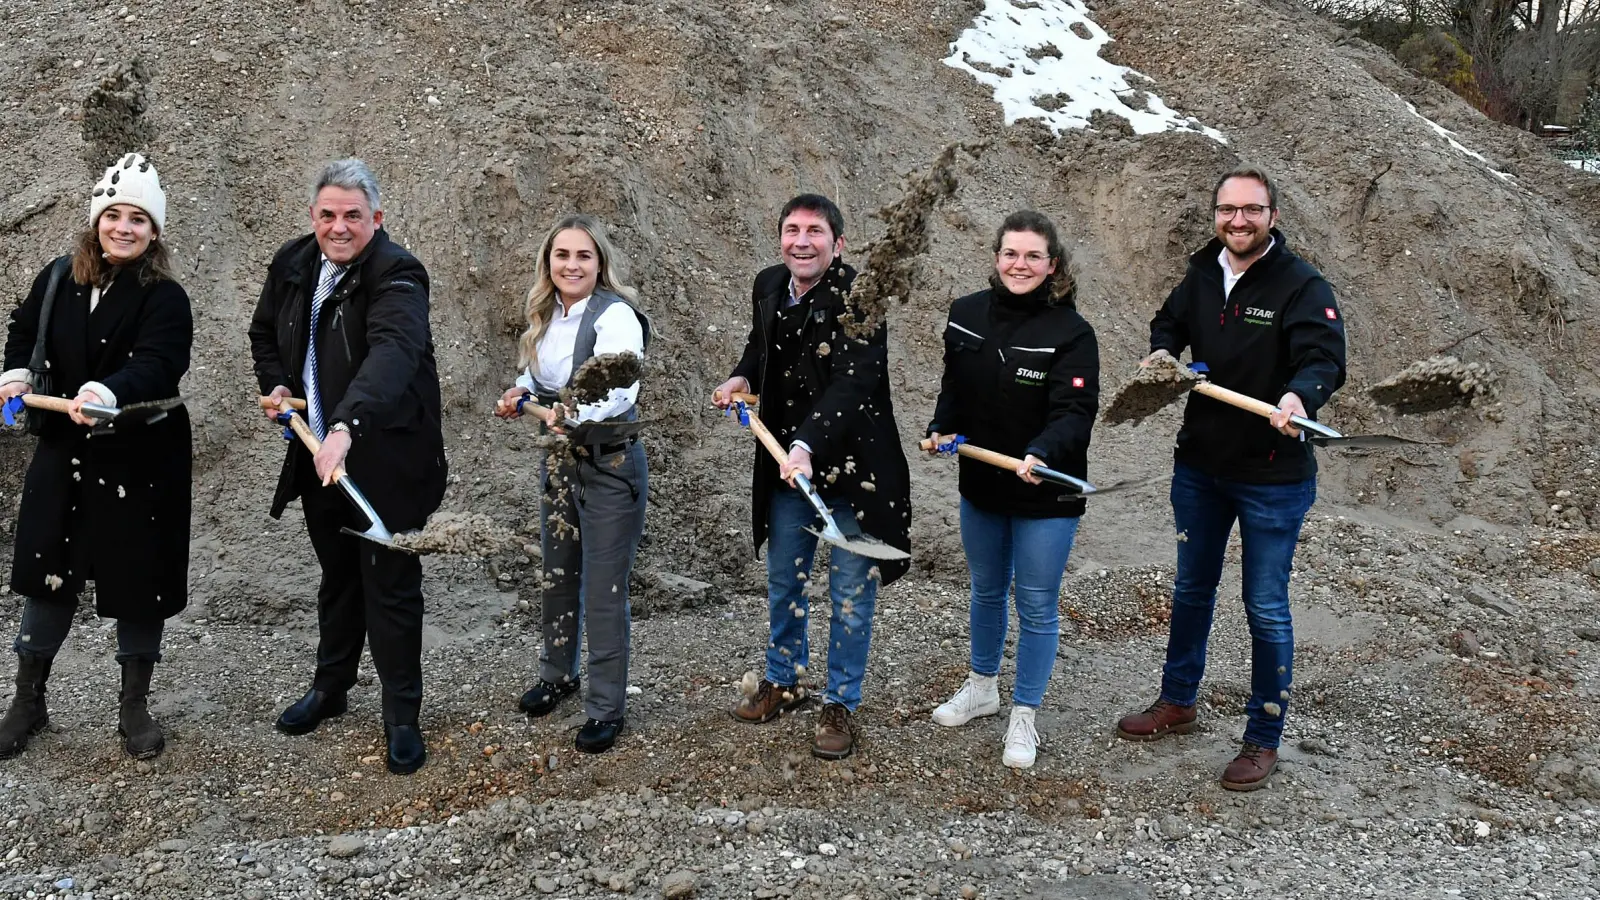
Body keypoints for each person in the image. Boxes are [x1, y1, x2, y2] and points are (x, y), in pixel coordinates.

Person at [1113, 167, 1346, 791]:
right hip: (1200, 468)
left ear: (1273, 214)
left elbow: (1323, 358)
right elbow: (1168, 323)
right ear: (1215, 214)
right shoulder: (1202, 271)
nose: (1237, 221)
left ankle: (1263, 735)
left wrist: (1301, 397)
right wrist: (1162, 355)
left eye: (1251, 210)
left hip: (1272, 476)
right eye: (1227, 210)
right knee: (1191, 590)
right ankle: (1178, 701)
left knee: (1264, 606)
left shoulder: (1301, 285)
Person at [249, 158, 447, 775]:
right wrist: (279, 386)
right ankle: (331, 689)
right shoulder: (294, 263)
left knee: (389, 586)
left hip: (387, 458)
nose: (339, 227)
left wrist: (346, 425)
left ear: (377, 219)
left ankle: (402, 716)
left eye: (353, 216)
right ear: (312, 217)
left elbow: (393, 353)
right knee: (337, 577)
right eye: (328, 215)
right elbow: (264, 333)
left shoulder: (398, 274)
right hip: (318, 453)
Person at [0, 152, 192, 760]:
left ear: (154, 231)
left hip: (141, 453)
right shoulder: (59, 277)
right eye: (115, 215)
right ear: (97, 219)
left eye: (139, 219)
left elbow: (161, 363)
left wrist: (106, 391)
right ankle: (28, 699)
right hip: (66, 446)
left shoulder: (165, 296)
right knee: (47, 565)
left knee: (140, 575)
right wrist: (12, 379)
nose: (125, 228)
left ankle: (133, 704)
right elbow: (24, 332)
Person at [712, 194, 911, 761]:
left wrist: (804, 443)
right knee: (786, 578)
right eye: (792, 230)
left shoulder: (861, 296)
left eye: (815, 232)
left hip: (855, 471)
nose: (802, 241)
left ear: (838, 243)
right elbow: (761, 349)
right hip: (788, 471)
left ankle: (841, 700)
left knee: (849, 592)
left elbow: (855, 380)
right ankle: (785, 679)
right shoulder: (769, 284)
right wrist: (738, 378)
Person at [924, 210, 1098, 769]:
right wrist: (940, 427)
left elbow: (1076, 411)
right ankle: (982, 686)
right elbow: (954, 387)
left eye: (1032, 256)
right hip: (982, 481)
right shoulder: (966, 314)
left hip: (1046, 489)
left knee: (1038, 603)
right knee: (986, 589)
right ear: (996, 257)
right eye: (1010, 254)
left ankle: (1024, 715)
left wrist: (1042, 452)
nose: (1019, 265)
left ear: (1052, 266)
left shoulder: (1072, 333)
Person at [495, 214, 649, 755]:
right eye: (562, 255)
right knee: (558, 574)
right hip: (560, 463)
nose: (572, 265)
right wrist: (519, 394)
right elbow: (536, 377)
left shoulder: (617, 317)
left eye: (583, 256)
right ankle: (558, 674)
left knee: (603, 591)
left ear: (599, 262)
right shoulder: (546, 316)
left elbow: (620, 385)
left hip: (609, 465)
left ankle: (606, 708)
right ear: (549, 262)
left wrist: (574, 413)